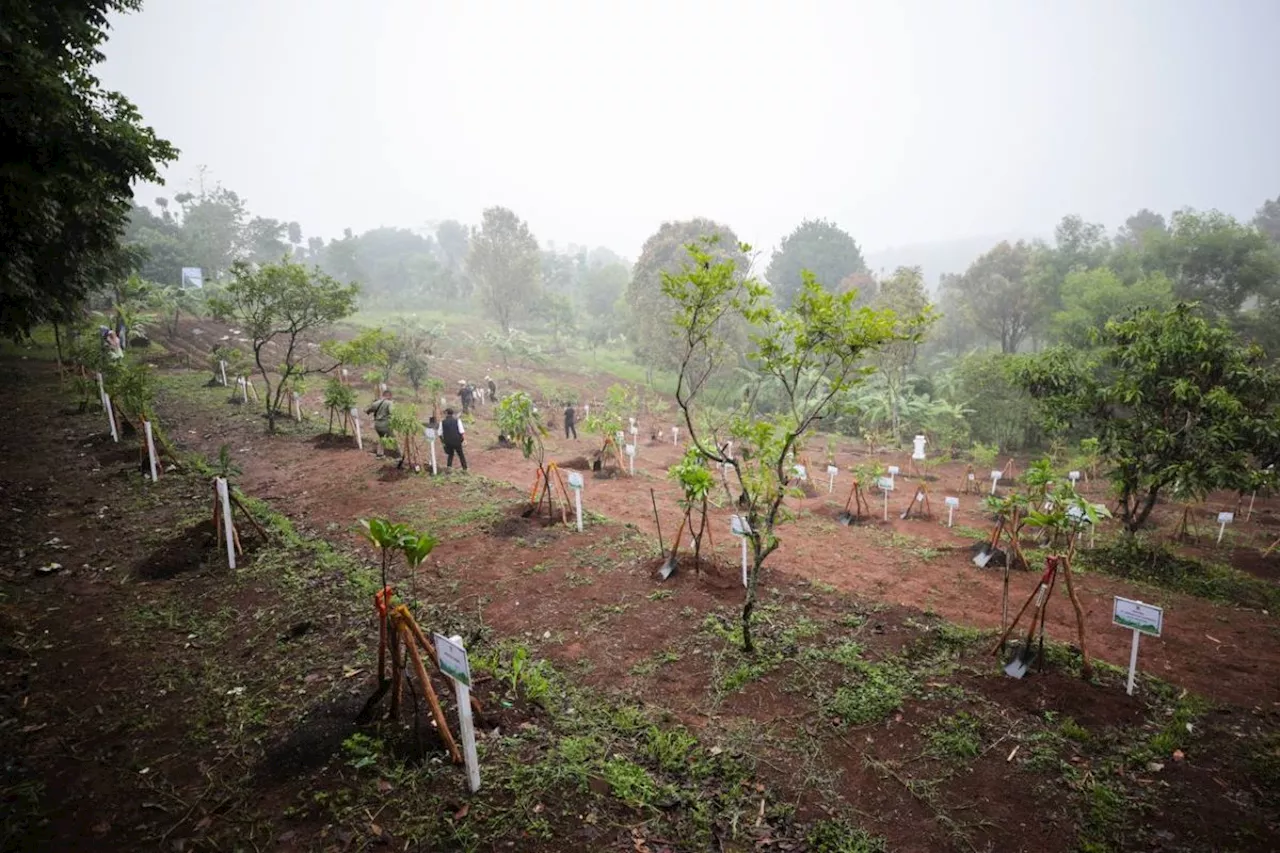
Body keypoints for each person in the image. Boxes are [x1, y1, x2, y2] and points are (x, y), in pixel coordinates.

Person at [365, 389, 394, 458]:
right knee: (393, 438)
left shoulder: (376, 403)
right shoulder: (389, 403)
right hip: (385, 425)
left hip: (377, 425)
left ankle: (379, 454)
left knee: (382, 438)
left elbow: (368, 411)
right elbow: (392, 413)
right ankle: (398, 456)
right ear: (389, 396)